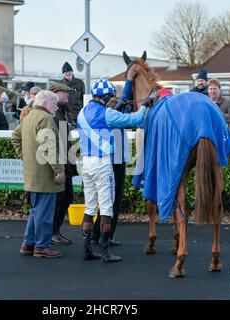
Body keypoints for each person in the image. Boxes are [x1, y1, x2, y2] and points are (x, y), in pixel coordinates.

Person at [77, 77, 148, 263]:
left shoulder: (82, 113)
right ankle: (106, 251)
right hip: (102, 165)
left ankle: (87, 250)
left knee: (90, 207)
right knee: (107, 207)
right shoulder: (107, 113)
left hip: (86, 164)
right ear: (107, 96)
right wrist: (145, 104)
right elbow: (136, 119)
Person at [11, 90, 65, 258]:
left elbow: (15, 136)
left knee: (36, 210)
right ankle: (41, 246)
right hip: (45, 174)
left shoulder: (29, 117)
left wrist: (25, 157)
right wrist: (59, 169)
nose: (56, 107)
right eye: (55, 103)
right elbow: (48, 145)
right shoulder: (46, 118)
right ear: (47, 102)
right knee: (44, 212)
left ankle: (29, 243)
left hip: (32, 172)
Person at [49, 82, 78, 245]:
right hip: (59, 165)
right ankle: (52, 232)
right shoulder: (53, 114)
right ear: (55, 94)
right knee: (60, 199)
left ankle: (55, 230)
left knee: (67, 197)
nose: (67, 95)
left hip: (66, 163)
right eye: (64, 92)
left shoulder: (64, 112)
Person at [59, 62, 85, 127]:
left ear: (72, 72)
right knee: (63, 135)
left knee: (78, 135)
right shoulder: (59, 84)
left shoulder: (80, 82)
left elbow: (83, 98)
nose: (68, 73)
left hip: (77, 115)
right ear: (63, 74)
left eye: (69, 71)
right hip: (64, 116)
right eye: (65, 72)